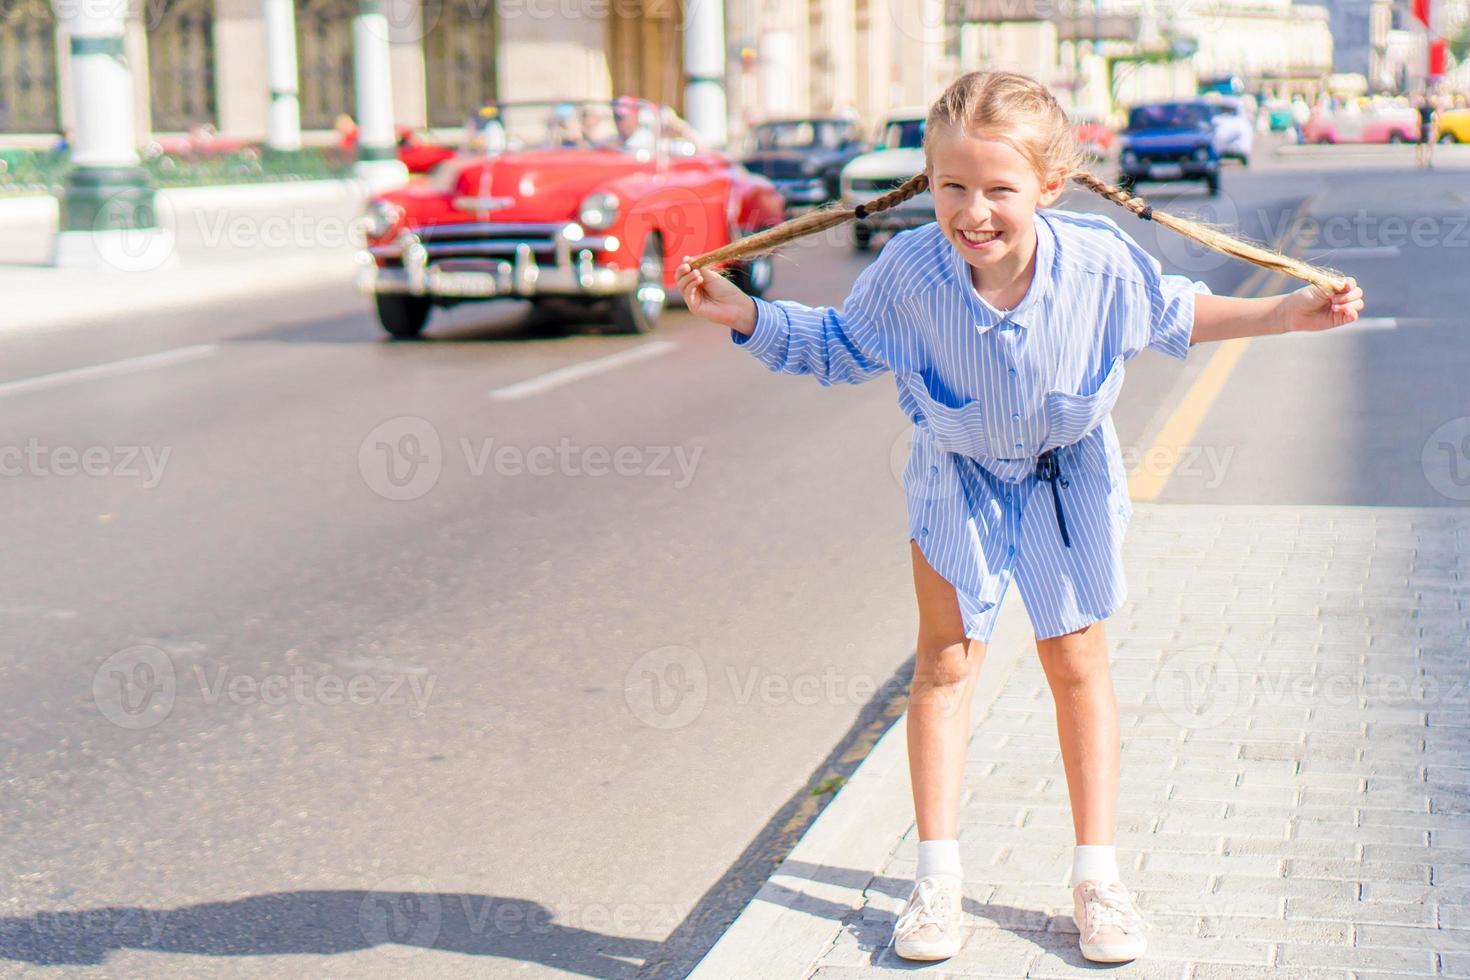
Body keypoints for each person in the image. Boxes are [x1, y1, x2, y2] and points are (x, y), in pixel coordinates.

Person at [675, 70, 1364, 966]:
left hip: (1065, 482)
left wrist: (1286, 313)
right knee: (946, 667)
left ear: (1050, 183)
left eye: (999, 189)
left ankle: (1097, 877)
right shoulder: (910, 271)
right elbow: (841, 348)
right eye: (952, 187)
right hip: (956, 479)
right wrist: (749, 314)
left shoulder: (1099, 262)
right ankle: (936, 883)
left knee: (1078, 666)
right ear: (928, 181)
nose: (974, 213)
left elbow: (1174, 315)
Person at [1416, 93, 1436, 169]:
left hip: (1423, 126)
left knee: (1420, 144)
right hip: (1429, 126)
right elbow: (1434, 118)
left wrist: (1418, 128)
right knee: (1429, 144)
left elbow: (1419, 119)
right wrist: (1434, 128)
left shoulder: (1421, 109)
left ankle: (1421, 160)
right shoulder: (1431, 108)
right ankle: (1429, 160)